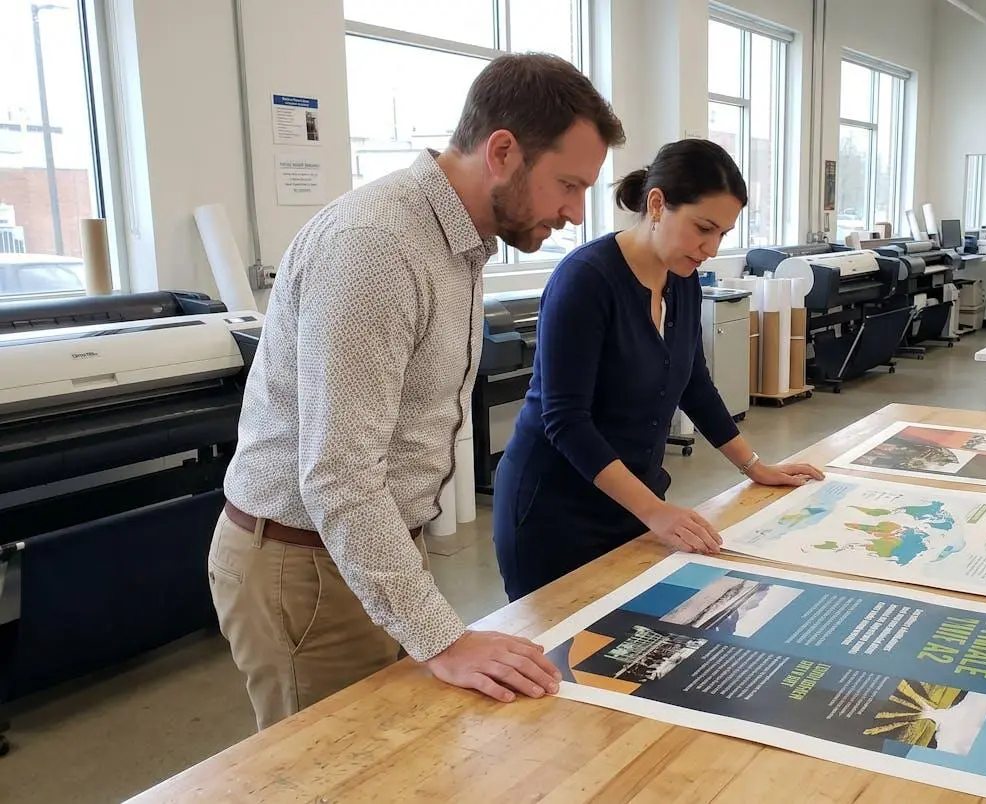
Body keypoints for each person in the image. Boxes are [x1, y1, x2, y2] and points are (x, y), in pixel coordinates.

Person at [209, 53, 627, 731]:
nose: (576, 214)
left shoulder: (459, 240)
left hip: (366, 552)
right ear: (502, 151)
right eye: (568, 184)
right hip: (305, 566)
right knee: (332, 776)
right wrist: (444, 637)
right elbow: (340, 475)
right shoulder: (376, 248)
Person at [492, 139, 825, 602]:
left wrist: (754, 466)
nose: (710, 248)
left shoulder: (682, 280)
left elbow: (693, 382)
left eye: (723, 235)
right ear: (656, 204)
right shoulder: (585, 280)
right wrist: (655, 512)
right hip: (555, 512)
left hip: (633, 501)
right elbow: (565, 420)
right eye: (703, 228)